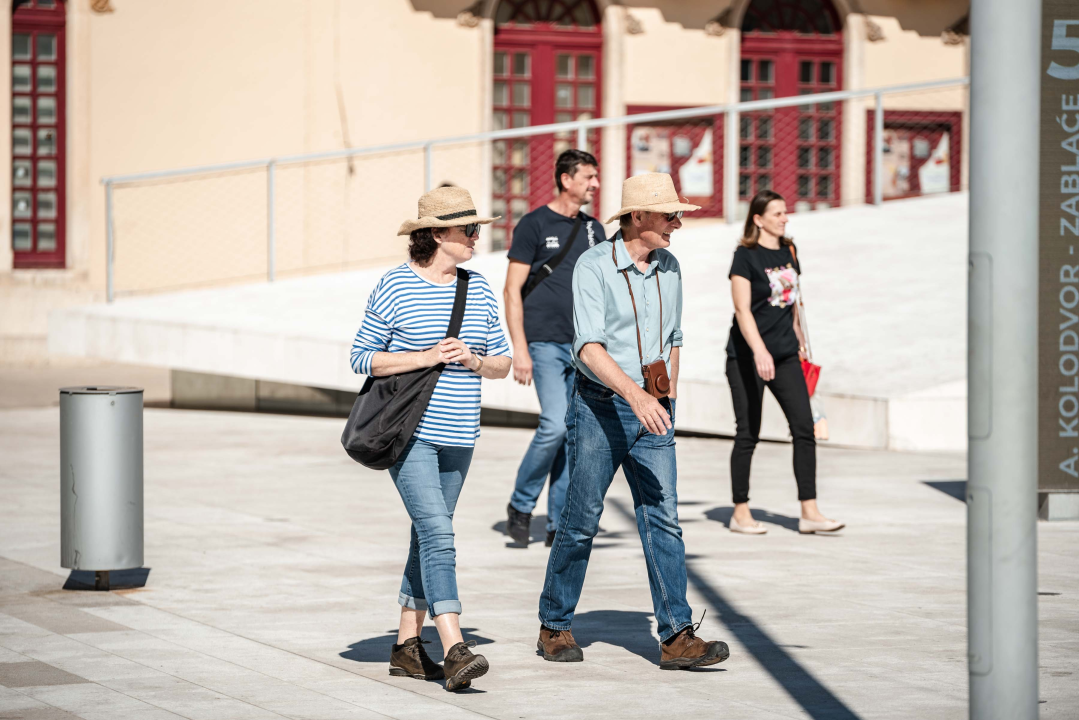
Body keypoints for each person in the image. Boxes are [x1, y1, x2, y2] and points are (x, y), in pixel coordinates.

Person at [536, 173, 730, 670]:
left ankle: (676, 635)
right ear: (637, 217)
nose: (678, 224)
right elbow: (588, 346)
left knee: (663, 519)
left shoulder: (671, 266)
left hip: (655, 409)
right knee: (581, 522)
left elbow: (676, 338)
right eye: (669, 215)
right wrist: (636, 395)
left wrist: (668, 397)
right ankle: (554, 626)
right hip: (602, 405)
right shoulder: (593, 265)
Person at [350, 186, 512, 691]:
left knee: (428, 535)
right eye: (468, 229)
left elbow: (503, 364)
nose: (476, 237)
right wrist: (425, 356)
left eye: (477, 228)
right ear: (437, 234)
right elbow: (362, 357)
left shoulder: (479, 288)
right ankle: (455, 645)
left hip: (460, 435)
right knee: (439, 535)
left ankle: (405, 647)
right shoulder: (395, 286)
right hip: (410, 434)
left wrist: (474, 360)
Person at [503, 149, 606, 548]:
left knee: (574, 433)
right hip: (543, 342)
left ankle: (557, 524)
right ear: (566, 179)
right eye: (588, 177)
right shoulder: (534, 224)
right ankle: (521, 503)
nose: (595, 184)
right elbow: (512, 290)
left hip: (584, 348)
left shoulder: (595, 229)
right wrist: (521, 350)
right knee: (555, 425)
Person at [724, 189, 844, 535]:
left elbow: (791, 301)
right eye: (777, 213)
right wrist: (760, 351)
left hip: (787, 353)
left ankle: (809, 512)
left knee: (804, 428)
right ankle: (740, 511)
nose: (784, 217)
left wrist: (801, 339)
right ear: (758, 219)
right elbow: (742, 309)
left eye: (785, 212)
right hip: (747, 355)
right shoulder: (744, 256)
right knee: (748, 432)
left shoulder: (789, 250)